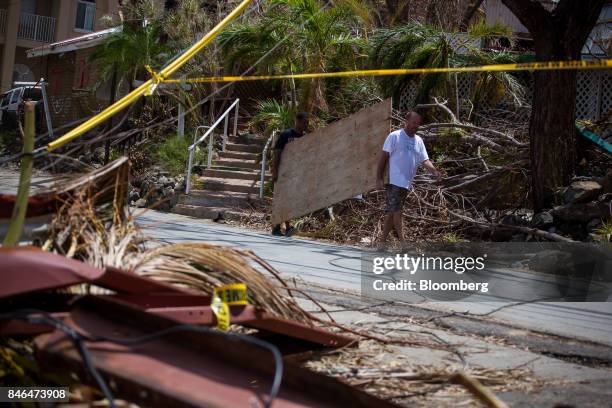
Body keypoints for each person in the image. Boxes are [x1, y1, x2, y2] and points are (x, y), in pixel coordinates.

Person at [376, 111, 442, 244]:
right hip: (393, 181)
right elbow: (383, 158)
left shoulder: (418, 141)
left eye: (418, 124)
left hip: (406, 182)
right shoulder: (395, 136)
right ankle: (404, 243)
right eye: (413, 123)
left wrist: (434, 171)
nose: (415, 126)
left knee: (391, 212)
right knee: (397, 211)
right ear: (406, 121)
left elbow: (424, 160)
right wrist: (379, 178)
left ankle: (381, 243)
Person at [271, 111, 309, 236]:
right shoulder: (286, 135)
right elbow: (277, 153)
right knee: (282, 199)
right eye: (304, 122)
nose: (306, 125)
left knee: (290, 201)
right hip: (284, 173)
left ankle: (287, 227)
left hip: (296, 174)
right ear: (297, 121)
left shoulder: (305, 137)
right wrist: (275, 171)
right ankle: (277, 226)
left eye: (307, 122)